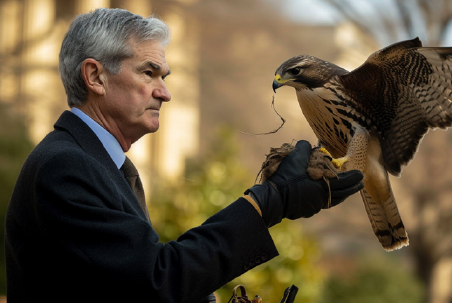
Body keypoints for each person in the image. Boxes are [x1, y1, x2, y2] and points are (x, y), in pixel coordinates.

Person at [4, 8, 364, 303]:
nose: (165, 93)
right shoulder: (65, 166)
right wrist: (267, 202)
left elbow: (127, 289)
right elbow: (157, 280)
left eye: (164, 76)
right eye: (150, 73)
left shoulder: (104, 164)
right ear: (95, 77)